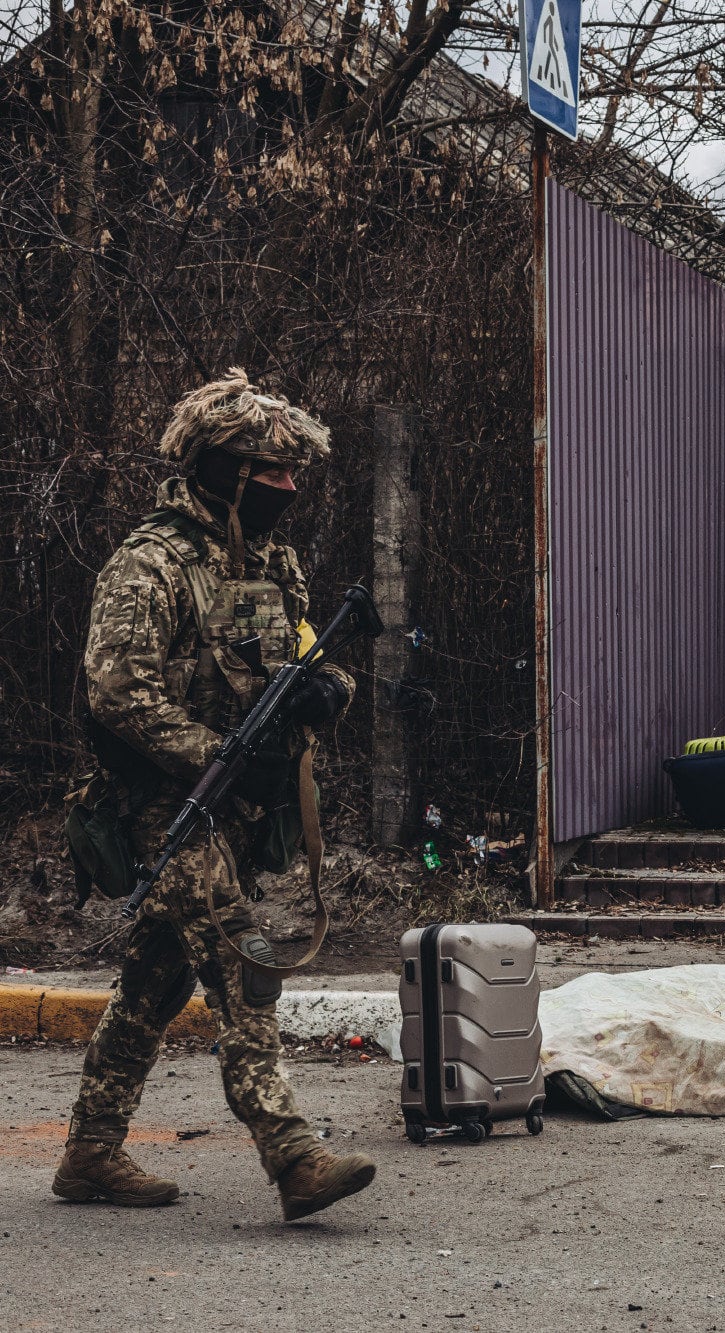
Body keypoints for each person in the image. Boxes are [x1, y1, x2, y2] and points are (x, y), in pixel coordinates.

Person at [54, 368, 376, 1221]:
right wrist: (211, 755)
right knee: (242, 961)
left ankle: (89, 1153)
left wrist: (326, 690)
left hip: (235, 804)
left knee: (156, 982)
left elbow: (307, 654)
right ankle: (292, 1153)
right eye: (275, 473)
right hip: (160, 802)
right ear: (227, 471)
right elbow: (116, 689)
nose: (291, 488)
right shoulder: (151, 561)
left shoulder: (274, 563)